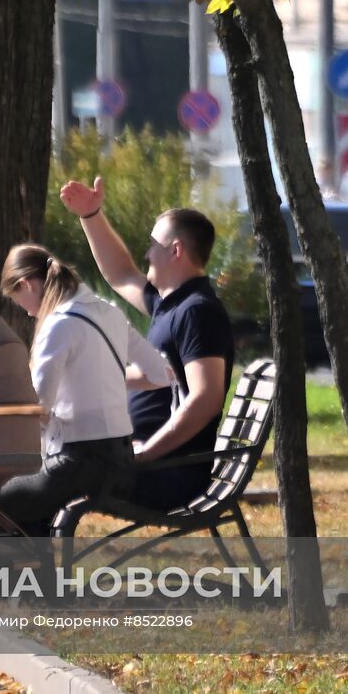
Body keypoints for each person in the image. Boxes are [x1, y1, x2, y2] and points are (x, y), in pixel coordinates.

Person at [60, 178, 235, 511]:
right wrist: (91, 214)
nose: (146, 253)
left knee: (41, 477)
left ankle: (7, 551)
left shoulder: (197, 312)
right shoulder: (171, 305)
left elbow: (205, 399)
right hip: (139, 460)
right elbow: (120, 273)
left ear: (176, 250)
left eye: (153, 244)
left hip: (163, 474)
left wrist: (145, 454)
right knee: (39, 463)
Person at [0, 244, 172, 536]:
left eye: (18, 299)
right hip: (120, 463)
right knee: (30, 509)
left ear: (26, 283)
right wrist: (100, 377)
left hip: (78, 467)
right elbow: (162, 374)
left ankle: (21, 579)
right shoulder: (108, 311)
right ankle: (41, 578)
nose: (24, 310)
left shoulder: (59, 324)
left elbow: (38, 405)